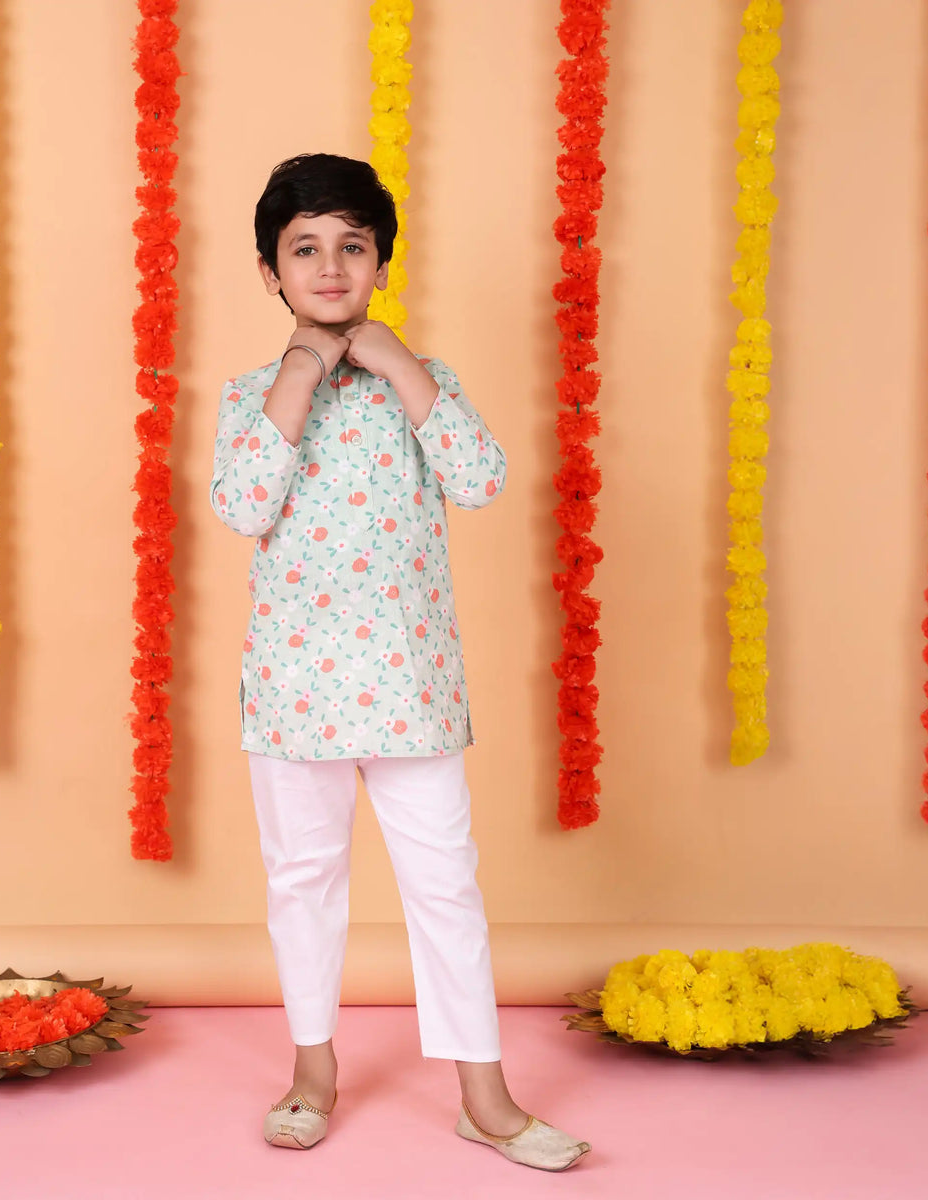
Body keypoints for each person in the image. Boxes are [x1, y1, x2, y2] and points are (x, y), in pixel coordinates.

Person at [208, 152, 590, 1171]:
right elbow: (242, 504)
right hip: (295, 694)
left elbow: (481, 478)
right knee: (304, 882)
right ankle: (313, 1073)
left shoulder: (422, 386)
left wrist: (401, 364)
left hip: (410, 688)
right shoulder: (251, 396)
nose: (330, 267)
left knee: (446, 887)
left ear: (380, 262)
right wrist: (300, 371)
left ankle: (484, 1097)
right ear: (271, 271)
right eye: (305, 249)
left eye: (352, 246)